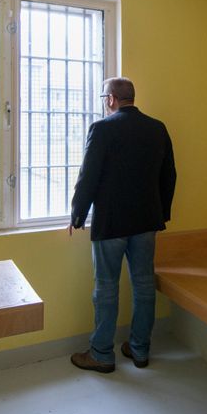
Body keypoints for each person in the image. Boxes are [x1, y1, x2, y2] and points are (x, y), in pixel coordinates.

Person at [67, 77, 176, 373]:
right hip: (147, 221)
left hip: (112, 222)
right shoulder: (157, 128)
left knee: (106, 287)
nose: (105, 101)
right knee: (143, 285)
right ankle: (140, 349)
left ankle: (102, 353)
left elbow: (88, 176)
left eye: (105, 96)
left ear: (112, 99)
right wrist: (161, 213)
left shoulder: (101, 129)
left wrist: (77, 215)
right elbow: (169, 176)